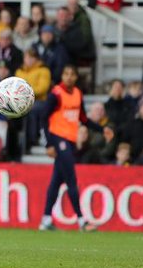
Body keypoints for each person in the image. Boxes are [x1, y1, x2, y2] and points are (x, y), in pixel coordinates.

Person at [39, 65, 99, 232]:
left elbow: (84, 119)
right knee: (71, 180)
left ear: (76, 77)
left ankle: (45, 219)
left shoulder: (78, 94)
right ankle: (82, 221)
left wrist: (102, 129)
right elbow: (43, 117)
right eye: (66, 74)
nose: (69, 77)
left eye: (73, 74)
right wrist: (48, 143)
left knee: (56, 181)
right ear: (62, 76)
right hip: (59, 139)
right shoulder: (56, 94)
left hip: (69, 140)